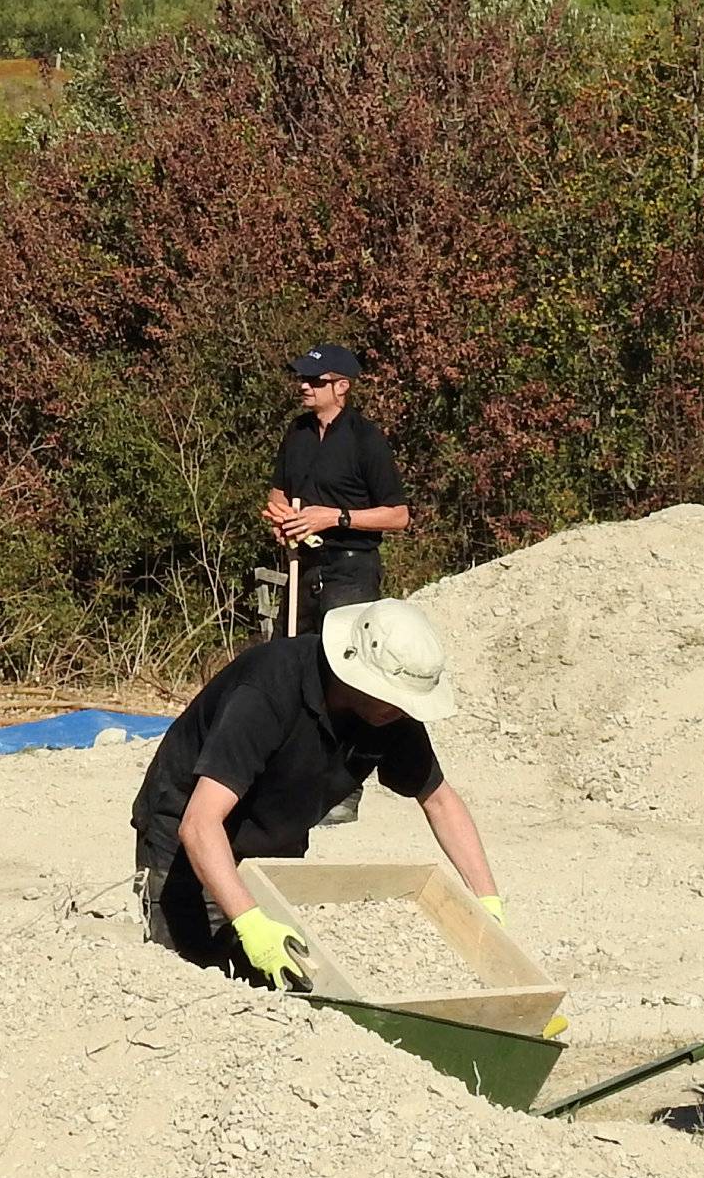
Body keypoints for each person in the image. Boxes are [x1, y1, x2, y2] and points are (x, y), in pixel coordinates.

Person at [131, 598, 504, 985]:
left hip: (275, 839)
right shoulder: (268, 689)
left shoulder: (389, 713)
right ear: (356, 672)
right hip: (188, 839)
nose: (402, 711)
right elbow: (198, 824)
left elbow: (440, 801)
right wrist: (251, 924)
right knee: (197, 981)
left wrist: (487, 901)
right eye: (394, 700)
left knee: (283, 985)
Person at [263, 345, 410, 633]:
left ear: (342, 386)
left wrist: (335, 517)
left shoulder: (366, 439)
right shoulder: (297, 431)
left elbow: (399, 516)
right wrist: (280, 520)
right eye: (303, 378)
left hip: (351, 573)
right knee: (288, 659)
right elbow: (278, 491)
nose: (305, 386)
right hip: (302, 567)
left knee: (341, 664)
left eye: (316, 380)